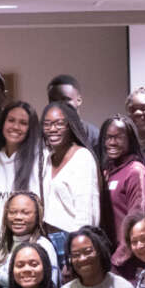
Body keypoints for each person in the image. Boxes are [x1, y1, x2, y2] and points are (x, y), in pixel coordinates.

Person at [40, 101, 101, 266]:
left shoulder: (82, 157)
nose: (53, 129)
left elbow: (86, 211)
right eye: (47, 124)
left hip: (71, 238)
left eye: (59, 124)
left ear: (71, 126)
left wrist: (78, 249)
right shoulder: (46, 158)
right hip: (47, 239)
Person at [0, 101, 42, 243]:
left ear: (30, 128)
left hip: (29, 249)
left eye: (23, 123)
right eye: (11, 120)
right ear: (3, 123)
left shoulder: (39, 161)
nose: (15, 126)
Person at [99, 114, 145, 280]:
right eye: (108, 137)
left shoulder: (135, 171)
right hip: (108, 258)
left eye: (118, 137)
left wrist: (118, 259)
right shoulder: (106, 172)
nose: (112, 143)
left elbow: (137, 217)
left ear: (130, 140)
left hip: (127, 261)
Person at [0, 192, 59, 288]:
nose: (18, 217)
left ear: (37, 216)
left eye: (25, 213)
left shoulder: (43, 246)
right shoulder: (4, 246)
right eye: (12, 212)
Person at [46, 74, 100, 151]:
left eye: (65, 99)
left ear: (79, 100)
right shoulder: (44, 135)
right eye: (54, 101)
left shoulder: (93, 135)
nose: (60, 105)